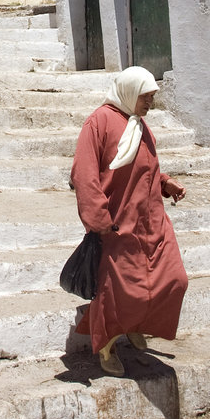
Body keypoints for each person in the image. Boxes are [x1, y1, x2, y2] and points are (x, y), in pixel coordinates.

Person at [70, 66, 188, 377]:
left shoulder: (139, 125)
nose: (150, 103)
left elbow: (145, 167)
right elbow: (84, 174)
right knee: (120, 289)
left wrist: (166, 183)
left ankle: (135, 323)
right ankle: (107, 345)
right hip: (118, 224)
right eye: (145, 97)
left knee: (173, 280)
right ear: (129, 92)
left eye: (151, 97)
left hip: (152, 221)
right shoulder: (99, 122)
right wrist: (99, 219)